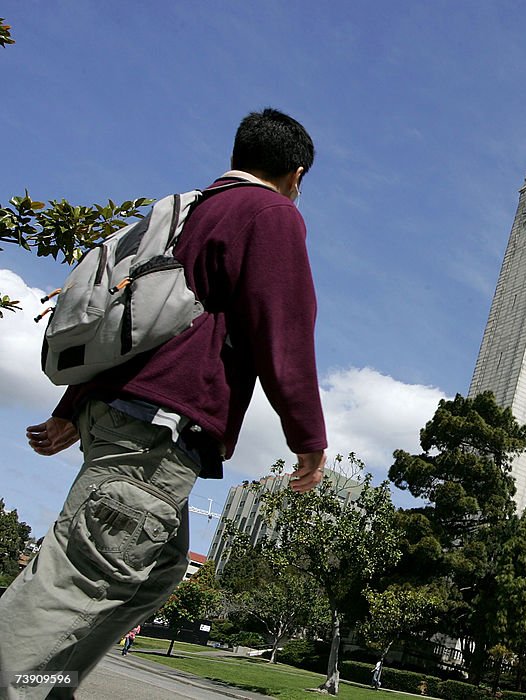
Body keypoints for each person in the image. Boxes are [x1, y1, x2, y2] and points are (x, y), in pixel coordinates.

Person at [0, 108, 328, 699]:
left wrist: (74, 406)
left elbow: (135, 320)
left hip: (123, 414)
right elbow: (283, 326)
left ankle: (45, 687)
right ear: (296, 174)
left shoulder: (186, 209)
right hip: (157, 429)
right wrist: (308, 437)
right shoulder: (271, 213)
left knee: (155, 573)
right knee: (77, 578)